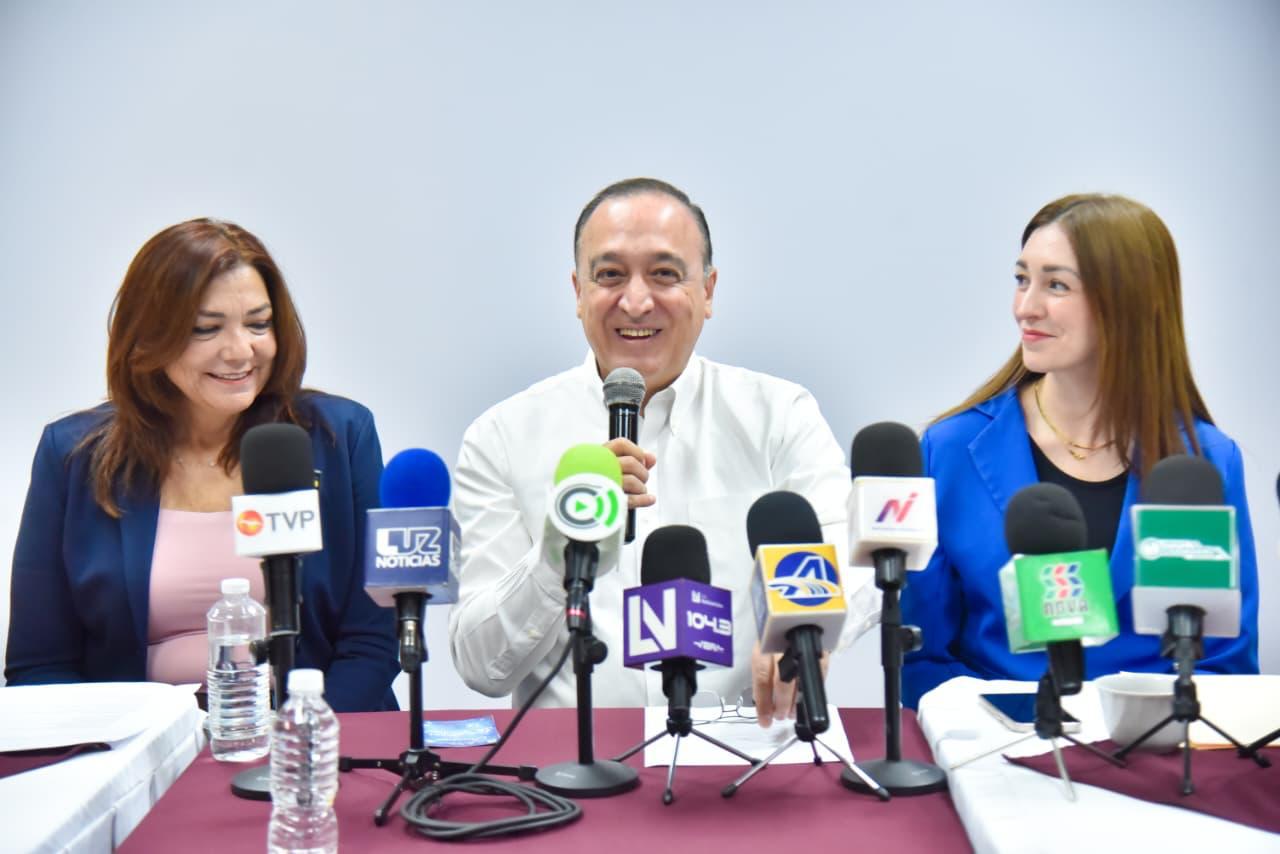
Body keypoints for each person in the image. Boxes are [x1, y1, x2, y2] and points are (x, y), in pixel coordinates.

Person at [449, 178, 878, 723]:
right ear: (578, 292)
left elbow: (853, 558)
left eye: (664, 274)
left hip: (747, 745)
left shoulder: (779, 415)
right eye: (609, 275)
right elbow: (481, 667)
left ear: (708, 291)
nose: (635, 301)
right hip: (573, 759)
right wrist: (560, 552)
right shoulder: (502, 437)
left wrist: (805, 628)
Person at [5, 219, 399, 712]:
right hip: (140, 747)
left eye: (258, 324)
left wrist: (303, 738)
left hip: (315, 737)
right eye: (206, 329)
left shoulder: (339, 437)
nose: (239, 351)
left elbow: (372, 640)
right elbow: (40, 667)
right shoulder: (72, 456)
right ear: (148, 338)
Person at [900, 194, 1259, 708]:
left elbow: (1225, 665)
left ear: (1128, 302)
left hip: (1152, 743)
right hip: (998, 741)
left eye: (1056, 285)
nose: (1026, 307)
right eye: (1022, 279)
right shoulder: (950, 451)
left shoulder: (1204, 463)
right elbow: (924, 660)